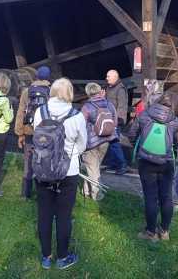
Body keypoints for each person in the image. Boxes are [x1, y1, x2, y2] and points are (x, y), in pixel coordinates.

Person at [33, 78, 87, 270]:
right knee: (64, 215)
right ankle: (63, 258)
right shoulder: (76, 115)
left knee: (44, 214)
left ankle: (46, 257)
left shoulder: (40, 112)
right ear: (70, 93)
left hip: (43, 169)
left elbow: (37, 136)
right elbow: (82, 144)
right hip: (68, 171)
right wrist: (71, 155)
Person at [128, 93, 178, 242]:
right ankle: (164, 231)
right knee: (166, 196)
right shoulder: (175, 120)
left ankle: (150, 232)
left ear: (157, 103)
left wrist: (140, 149)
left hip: (146, 162)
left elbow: (132, 134)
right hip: (167, 163)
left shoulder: (144, 115)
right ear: (170, 106)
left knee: (150, 196)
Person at [15, 66, 51, 199]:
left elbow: (20, 112)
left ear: (36, 77)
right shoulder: (51, 91)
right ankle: (44, 194)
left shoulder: (27, 91)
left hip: (29, 131)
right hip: (45, 132)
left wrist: (20, 133)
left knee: (28, 162)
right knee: (44, 162)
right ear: (48, 78)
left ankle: (25, 194)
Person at [81, 82, 117, 201]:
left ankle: (97, 195)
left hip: (91, 143)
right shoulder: (109, 104)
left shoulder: (87, 107)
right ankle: (86, 191)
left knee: (93, 169)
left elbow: (81, 125)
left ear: (88, 93)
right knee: (93, 167)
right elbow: (114, 122)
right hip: (106, 140)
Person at [105, 69, 128, 175]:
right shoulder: (110, 88)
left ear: (115, 77)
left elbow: (122, 106)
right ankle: (113, 163)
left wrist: (118, 120)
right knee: (110, 142)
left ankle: (122, 165)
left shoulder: (120, 89)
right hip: (109, 119)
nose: (107, 78)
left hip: (115, 121)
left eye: (108, 76)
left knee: (114, 143)